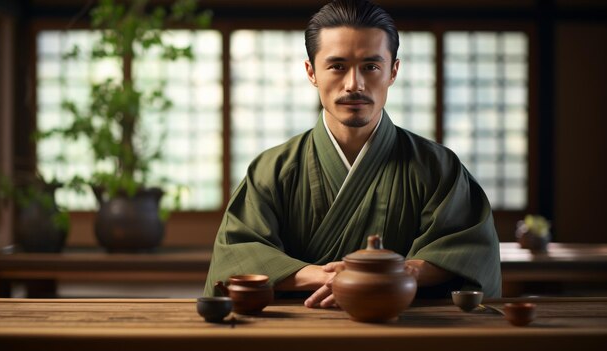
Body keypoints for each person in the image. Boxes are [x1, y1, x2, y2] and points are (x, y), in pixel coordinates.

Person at [204, 0, 501, 307]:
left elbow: (469, 251)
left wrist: (396, 271)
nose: (354, 84)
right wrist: (325, 277)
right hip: (295, 330)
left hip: (406, 328)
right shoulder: (272, 169)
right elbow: (237, 255)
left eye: (371, 67)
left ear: (393, 71)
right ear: (311, 72)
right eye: (337, 66)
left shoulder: (438, 168)